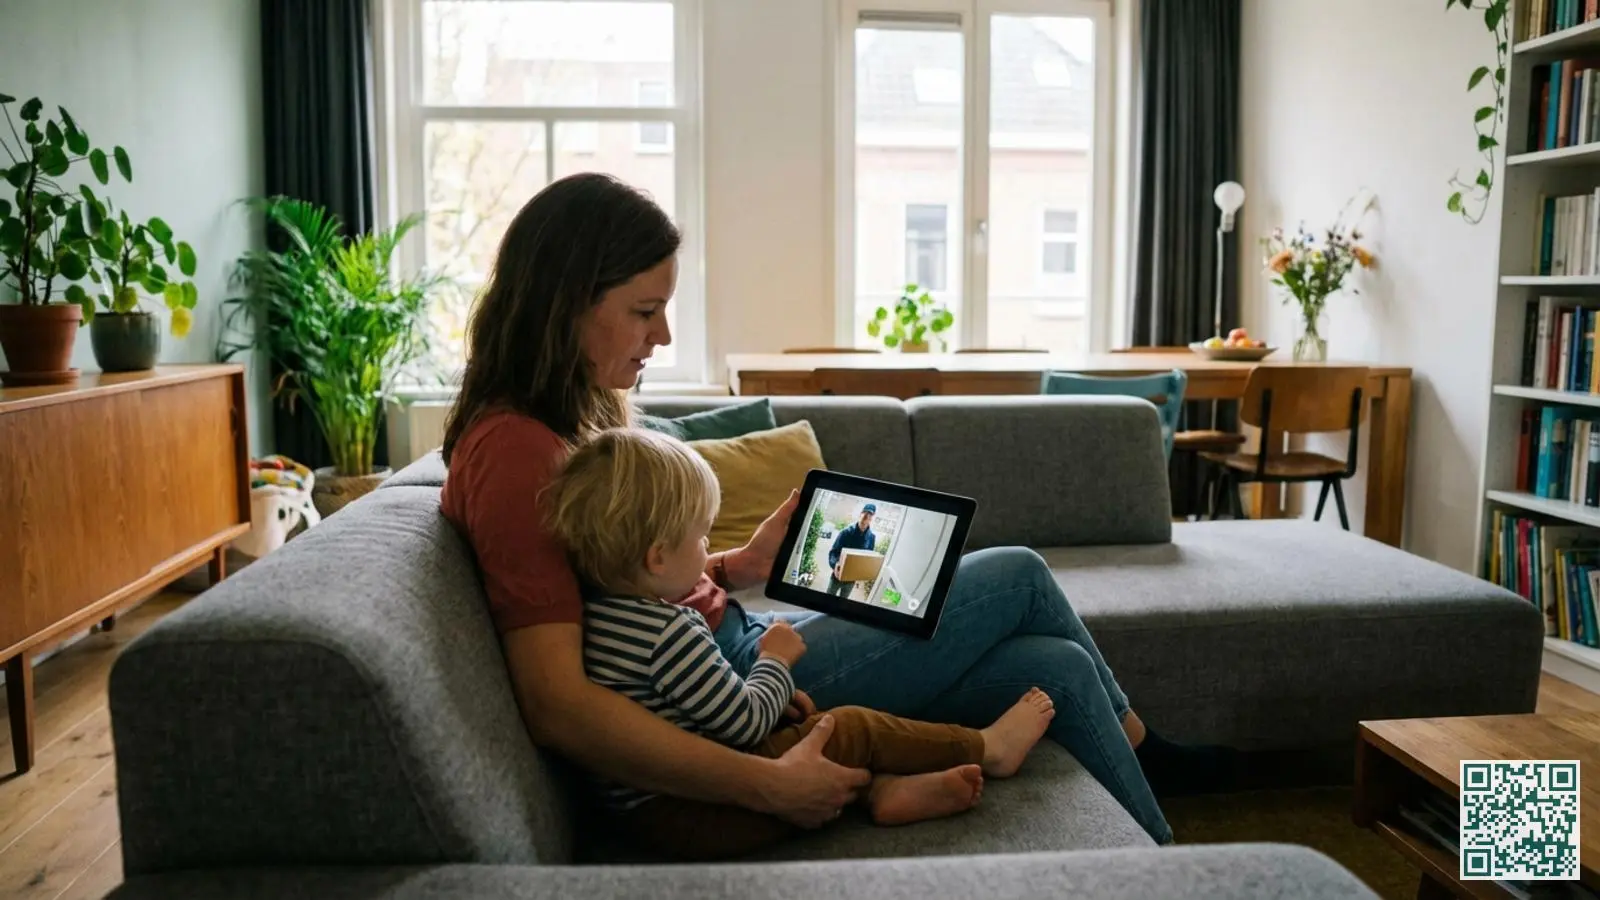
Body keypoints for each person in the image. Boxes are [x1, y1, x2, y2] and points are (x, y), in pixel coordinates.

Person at [438, 172, 1235, 848]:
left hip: (734, 647)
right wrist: (766, 784)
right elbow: (561, 706)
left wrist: (733, 566)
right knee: (1020, 575)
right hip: (731, 686)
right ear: (567, 301)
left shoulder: (565, 416)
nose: (665, 333)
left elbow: (609, 590)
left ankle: (1159, 860)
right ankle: (1145, 749)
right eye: (645, 310)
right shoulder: (515, 455)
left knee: (1052, 668)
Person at [541, 426, 1058, 860]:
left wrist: (774, 690)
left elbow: (690, 709)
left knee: (807, 725)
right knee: (849, 725)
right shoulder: (671, 631)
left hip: (650, 807)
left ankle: (883, 791)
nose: (707, 550)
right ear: (656, 558)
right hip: (690, 817)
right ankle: (989, 749)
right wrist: (775, 661)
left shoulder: (601, 612)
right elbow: (744, 721)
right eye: (701, 538)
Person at [826, 502, 877, 597]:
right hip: (837, 576)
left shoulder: (871, 538)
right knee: (826, 601)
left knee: (842, 604)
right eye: (864, 512)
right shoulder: (845, 532)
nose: (866, 516)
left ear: (872, 518)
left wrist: (861, 575)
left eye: (869, 514)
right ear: (860, 514)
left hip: (851, 580)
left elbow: (866, 560)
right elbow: (833, 552)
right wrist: (835, 564)